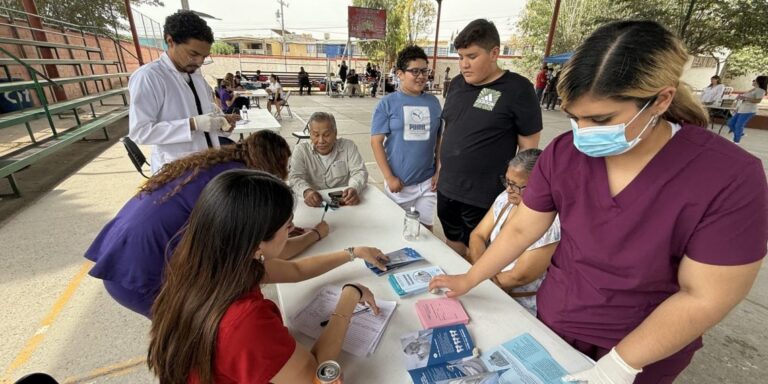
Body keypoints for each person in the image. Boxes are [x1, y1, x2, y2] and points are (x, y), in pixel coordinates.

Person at [429, 20, 767, 384]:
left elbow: (705, 295)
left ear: (661, 100)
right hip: (557, 319)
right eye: (575, 118)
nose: (584, 133)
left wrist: (618, 367)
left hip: (645, 344)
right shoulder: (563, 154)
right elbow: (524, 226)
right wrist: (471, 278)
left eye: (602, 119)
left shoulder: (729, 176)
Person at [147, 169, 390, 383]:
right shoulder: (244, 321)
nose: (291, 232)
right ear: (256, 244)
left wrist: (353, 252)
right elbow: (315, 377)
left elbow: (297, 270)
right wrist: (350, 294)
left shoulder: (210, 263)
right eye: (287, 227)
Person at [85, 131, 329, 318]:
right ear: (271, 166)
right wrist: (315, 234)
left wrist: (278, 228)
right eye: (283, 167)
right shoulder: (241, 190)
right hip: (141, 277)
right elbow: (275, 253)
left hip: (120, 254)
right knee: (199, 337)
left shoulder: (218, 165)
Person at [437, 19, 542, 257]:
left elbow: (528, 152)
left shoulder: (518, 89)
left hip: (484, 195)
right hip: (447, 188)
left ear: (494, 53)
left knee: (480, 251)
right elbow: (449, 130)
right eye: (460, 57)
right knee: (452, 242)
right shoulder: (456, 84)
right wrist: (439, 170)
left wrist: (518, 194)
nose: (464, 64)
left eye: (471, 57)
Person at [128, 11, 237, 173]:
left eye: (204, 56)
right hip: (176, 169)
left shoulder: (196, 76)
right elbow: (141, 132)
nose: (199, 62)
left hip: (208, 162)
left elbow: (205, 113)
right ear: (170, 41)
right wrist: (191, 124)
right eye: (193, 54)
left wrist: (221, 123)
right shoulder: (149, 77)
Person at [466, 149, 559, 315]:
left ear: (540, 186)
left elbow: (519, 276)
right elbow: (477, 236)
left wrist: (477, 279)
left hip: (519, 305)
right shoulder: (507, 197)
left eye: (517, 186)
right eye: (507, 182)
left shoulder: (552, 223)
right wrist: (479, 273)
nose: (509, 189)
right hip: (489, 287)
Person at [371, 45, 442, 230]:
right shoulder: (387, 104)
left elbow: (439, 139)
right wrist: (389, 177)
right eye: (415, 71)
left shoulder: (433, 103)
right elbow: (376, 142)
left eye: (425, 71)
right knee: (395, 230)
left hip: (427, 183)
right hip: (399, 184)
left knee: (425, 231)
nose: (421, 76)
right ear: (400, 73)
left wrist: (438, 170)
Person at [289, 112, 368, 207]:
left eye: (326, 135)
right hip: (315, 205)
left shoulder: (348, 147)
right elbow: (295, 177)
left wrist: (354, 188)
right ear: (310, 134)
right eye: (316, 135)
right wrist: (306, 191)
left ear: (335, 133)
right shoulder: (301, 150)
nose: (321, 141)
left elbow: (359, 172)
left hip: (345, 203)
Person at [727, 76, 767, 144]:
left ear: (759, 82)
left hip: (748, 111)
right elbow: (745, 97)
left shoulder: (761, 90)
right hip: (741, 109)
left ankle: (736, 141)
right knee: (730, 123)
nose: (753, 81)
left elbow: (757, 101)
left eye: (754, 80)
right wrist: (740, 98)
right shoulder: (754, 89)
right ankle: (740, 133)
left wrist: (744, 98)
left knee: (738, 126)